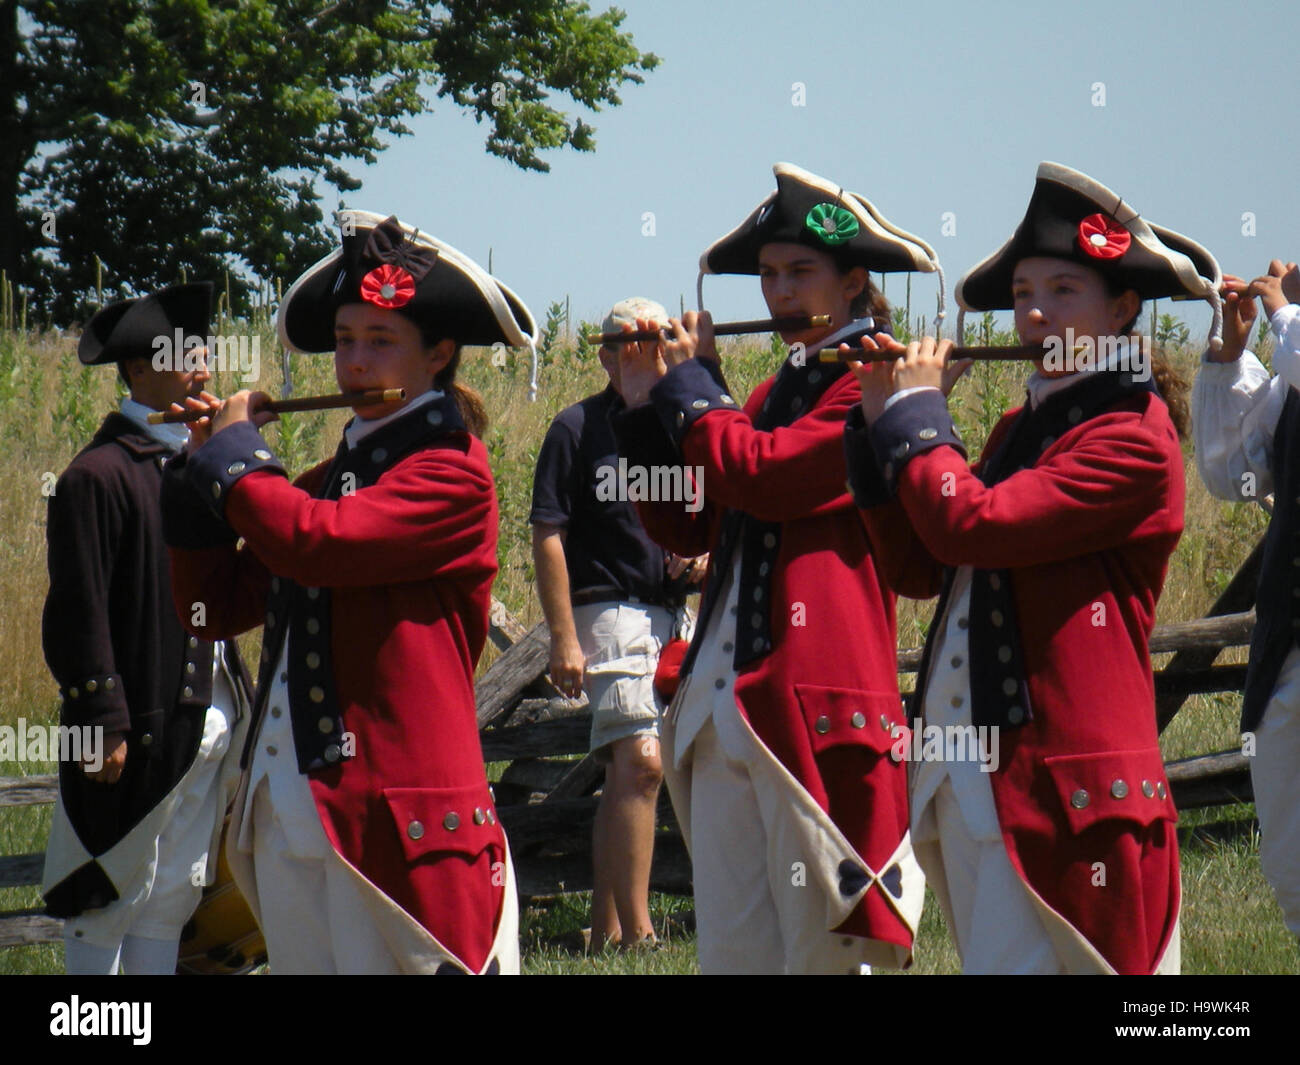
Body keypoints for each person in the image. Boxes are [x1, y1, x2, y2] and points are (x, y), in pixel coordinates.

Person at [844, 161, 1216, 974]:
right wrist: (877, 428)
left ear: (1123, 308)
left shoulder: (1133, 436)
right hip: (973, 778)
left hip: (1066, 791)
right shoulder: (1024, 423)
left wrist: (915, 416)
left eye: (1063, 290)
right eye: (1021, 292)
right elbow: (921, 564)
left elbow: (971, 522)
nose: (1035, 311)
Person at [160, 211, 536, 974]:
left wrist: (236, 459)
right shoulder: (325, 484)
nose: (355, 364)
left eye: (380, 341)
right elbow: (216, 606)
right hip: (293, 812)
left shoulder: (452, 471)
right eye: (344, 341)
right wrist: (195, 476)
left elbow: (316, 543)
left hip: (396, 829)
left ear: (438, 355)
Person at [612, 163, 945, 973]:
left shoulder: (873, 384)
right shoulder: (770, 391)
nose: (779, 292)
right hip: (723, 713)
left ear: (855, 281)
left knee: (831, 950)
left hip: (812, 713)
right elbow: (686, 516)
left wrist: (690, 388)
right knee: (736, 954)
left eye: (801, 273)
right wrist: (643, 403)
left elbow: (766, 474)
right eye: (768, 275)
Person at [41, 282, 250, 975]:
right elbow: (79, 606)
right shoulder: (95, 476)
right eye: (184, 352)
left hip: (205, 719)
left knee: (171, 894)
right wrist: (101, 715)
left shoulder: (199, 464)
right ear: (136, 370)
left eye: (204, 349)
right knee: (104, 889)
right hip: (135, 724)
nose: (203, 364)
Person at [531, 296, 705, 949]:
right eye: (624, 345)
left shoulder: (684, 424)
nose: (640, 357)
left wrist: (704, 557)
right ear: (603, 354)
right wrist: (562, 635)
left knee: (630, 770)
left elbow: (713, 510)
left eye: (653, 344)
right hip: (605, 609)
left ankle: (604, 929)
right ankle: (642, 934)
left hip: (672, 611)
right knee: (640, 761)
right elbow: (548, 534)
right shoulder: (574, 428)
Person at [1192, 258, 1300, 942]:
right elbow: (1234, 470)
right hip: (1289, 648)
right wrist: (1232, 356)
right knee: (1293, 869)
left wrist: (1287, 313)